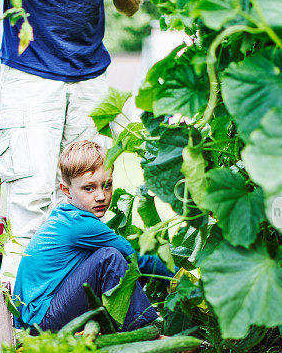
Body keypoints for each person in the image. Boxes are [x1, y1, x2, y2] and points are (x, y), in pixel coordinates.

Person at [0, 0, 146, 283]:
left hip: (90, 78)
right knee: (31, 197)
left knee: (88, 199)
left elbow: (133, 4)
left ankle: (74, 305)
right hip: (30, 74)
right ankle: (18, 313)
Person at [13, 141, 171, 332]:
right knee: (109, 257)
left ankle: (123, 325)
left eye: (107, 185)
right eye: (89, 188)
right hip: (41, 322)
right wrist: (178, 278)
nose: (101, 196)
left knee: (111, 259)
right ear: (66, 191)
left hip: (39, 315)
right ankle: (145, 330)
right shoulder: (80, 224)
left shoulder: (67, 215)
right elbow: (137, 257)